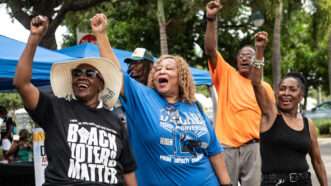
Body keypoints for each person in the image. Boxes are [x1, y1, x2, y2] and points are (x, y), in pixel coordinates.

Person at [93, 13, 232, 185]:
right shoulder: (142, 98)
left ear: (181, 77)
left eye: (169, 68)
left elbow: (213, 150)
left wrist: (227, 183)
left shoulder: (194, 106)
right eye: (158, 69)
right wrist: (101, 35)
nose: (161, 71)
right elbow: (114, 72)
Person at [13, 15, 137, 186]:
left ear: (101, 83)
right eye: (77, 74)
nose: (81, 77)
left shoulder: (116, 122)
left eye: (90, 73)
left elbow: (128, 171)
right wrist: (34, 38)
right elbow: (21, 83)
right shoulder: (54, 108)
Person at [204, 1, 274, 185]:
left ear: (257, 60)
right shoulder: (226, 75)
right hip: (226, 148)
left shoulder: (265, 88)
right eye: (241, 55)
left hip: (254, 147)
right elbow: (210, 50)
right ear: (236, 60)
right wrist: (211, 18)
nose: (244, 57)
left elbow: (271, 117)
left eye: (249, 55)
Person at [250, 32, 328, 186]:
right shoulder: (270, 115)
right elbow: (256, 83)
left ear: (301, 95)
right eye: (283, 89)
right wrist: (259, 50)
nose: (286, 93)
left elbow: (317, 161)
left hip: (304, 182)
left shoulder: (308, 124)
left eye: (292, 89)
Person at [113, 47, 154, 125]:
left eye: (137, 63)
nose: (132, 66)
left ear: (150, 66)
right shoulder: (125, 88)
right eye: (131, 63)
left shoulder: (157, 91)